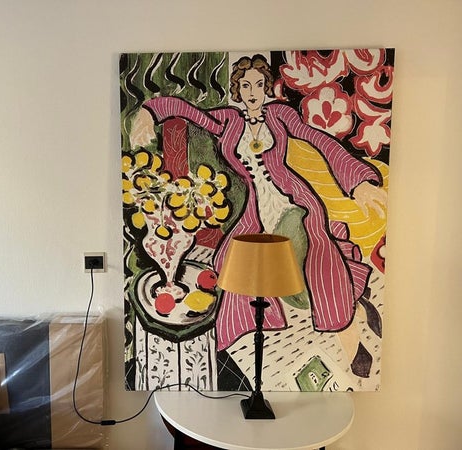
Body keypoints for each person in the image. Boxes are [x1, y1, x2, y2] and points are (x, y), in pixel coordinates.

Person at [130, 54, 387, 358]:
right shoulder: (228, 120)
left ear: (266, 86)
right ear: (238, 89)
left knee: (312, 270)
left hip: (294, 205)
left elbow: (319, 140)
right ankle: (357, 303)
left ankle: (350, 336)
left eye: (258, 84)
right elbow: (187, 110)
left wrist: (358, 181)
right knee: (250, 274)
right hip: (257, 214)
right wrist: (149, 111)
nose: (252, 91)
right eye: (245, 85)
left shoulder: (279, 114)